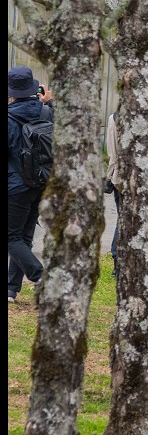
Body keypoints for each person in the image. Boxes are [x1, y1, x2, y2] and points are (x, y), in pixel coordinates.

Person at [8, 66, 54, 303]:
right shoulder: (46, 112)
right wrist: (50, 104)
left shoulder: (9, 118)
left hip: (15, 187)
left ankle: (40, 276)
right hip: (40, 183)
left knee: (11, 237)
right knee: (23, 237)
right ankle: (11, 289)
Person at [104, 111, 121, 276]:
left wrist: (110, 174)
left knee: (122, 217)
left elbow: (112, 151)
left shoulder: (114, 117)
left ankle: (117, 258)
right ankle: (118, 257)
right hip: (125, 176)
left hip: (119, 176)